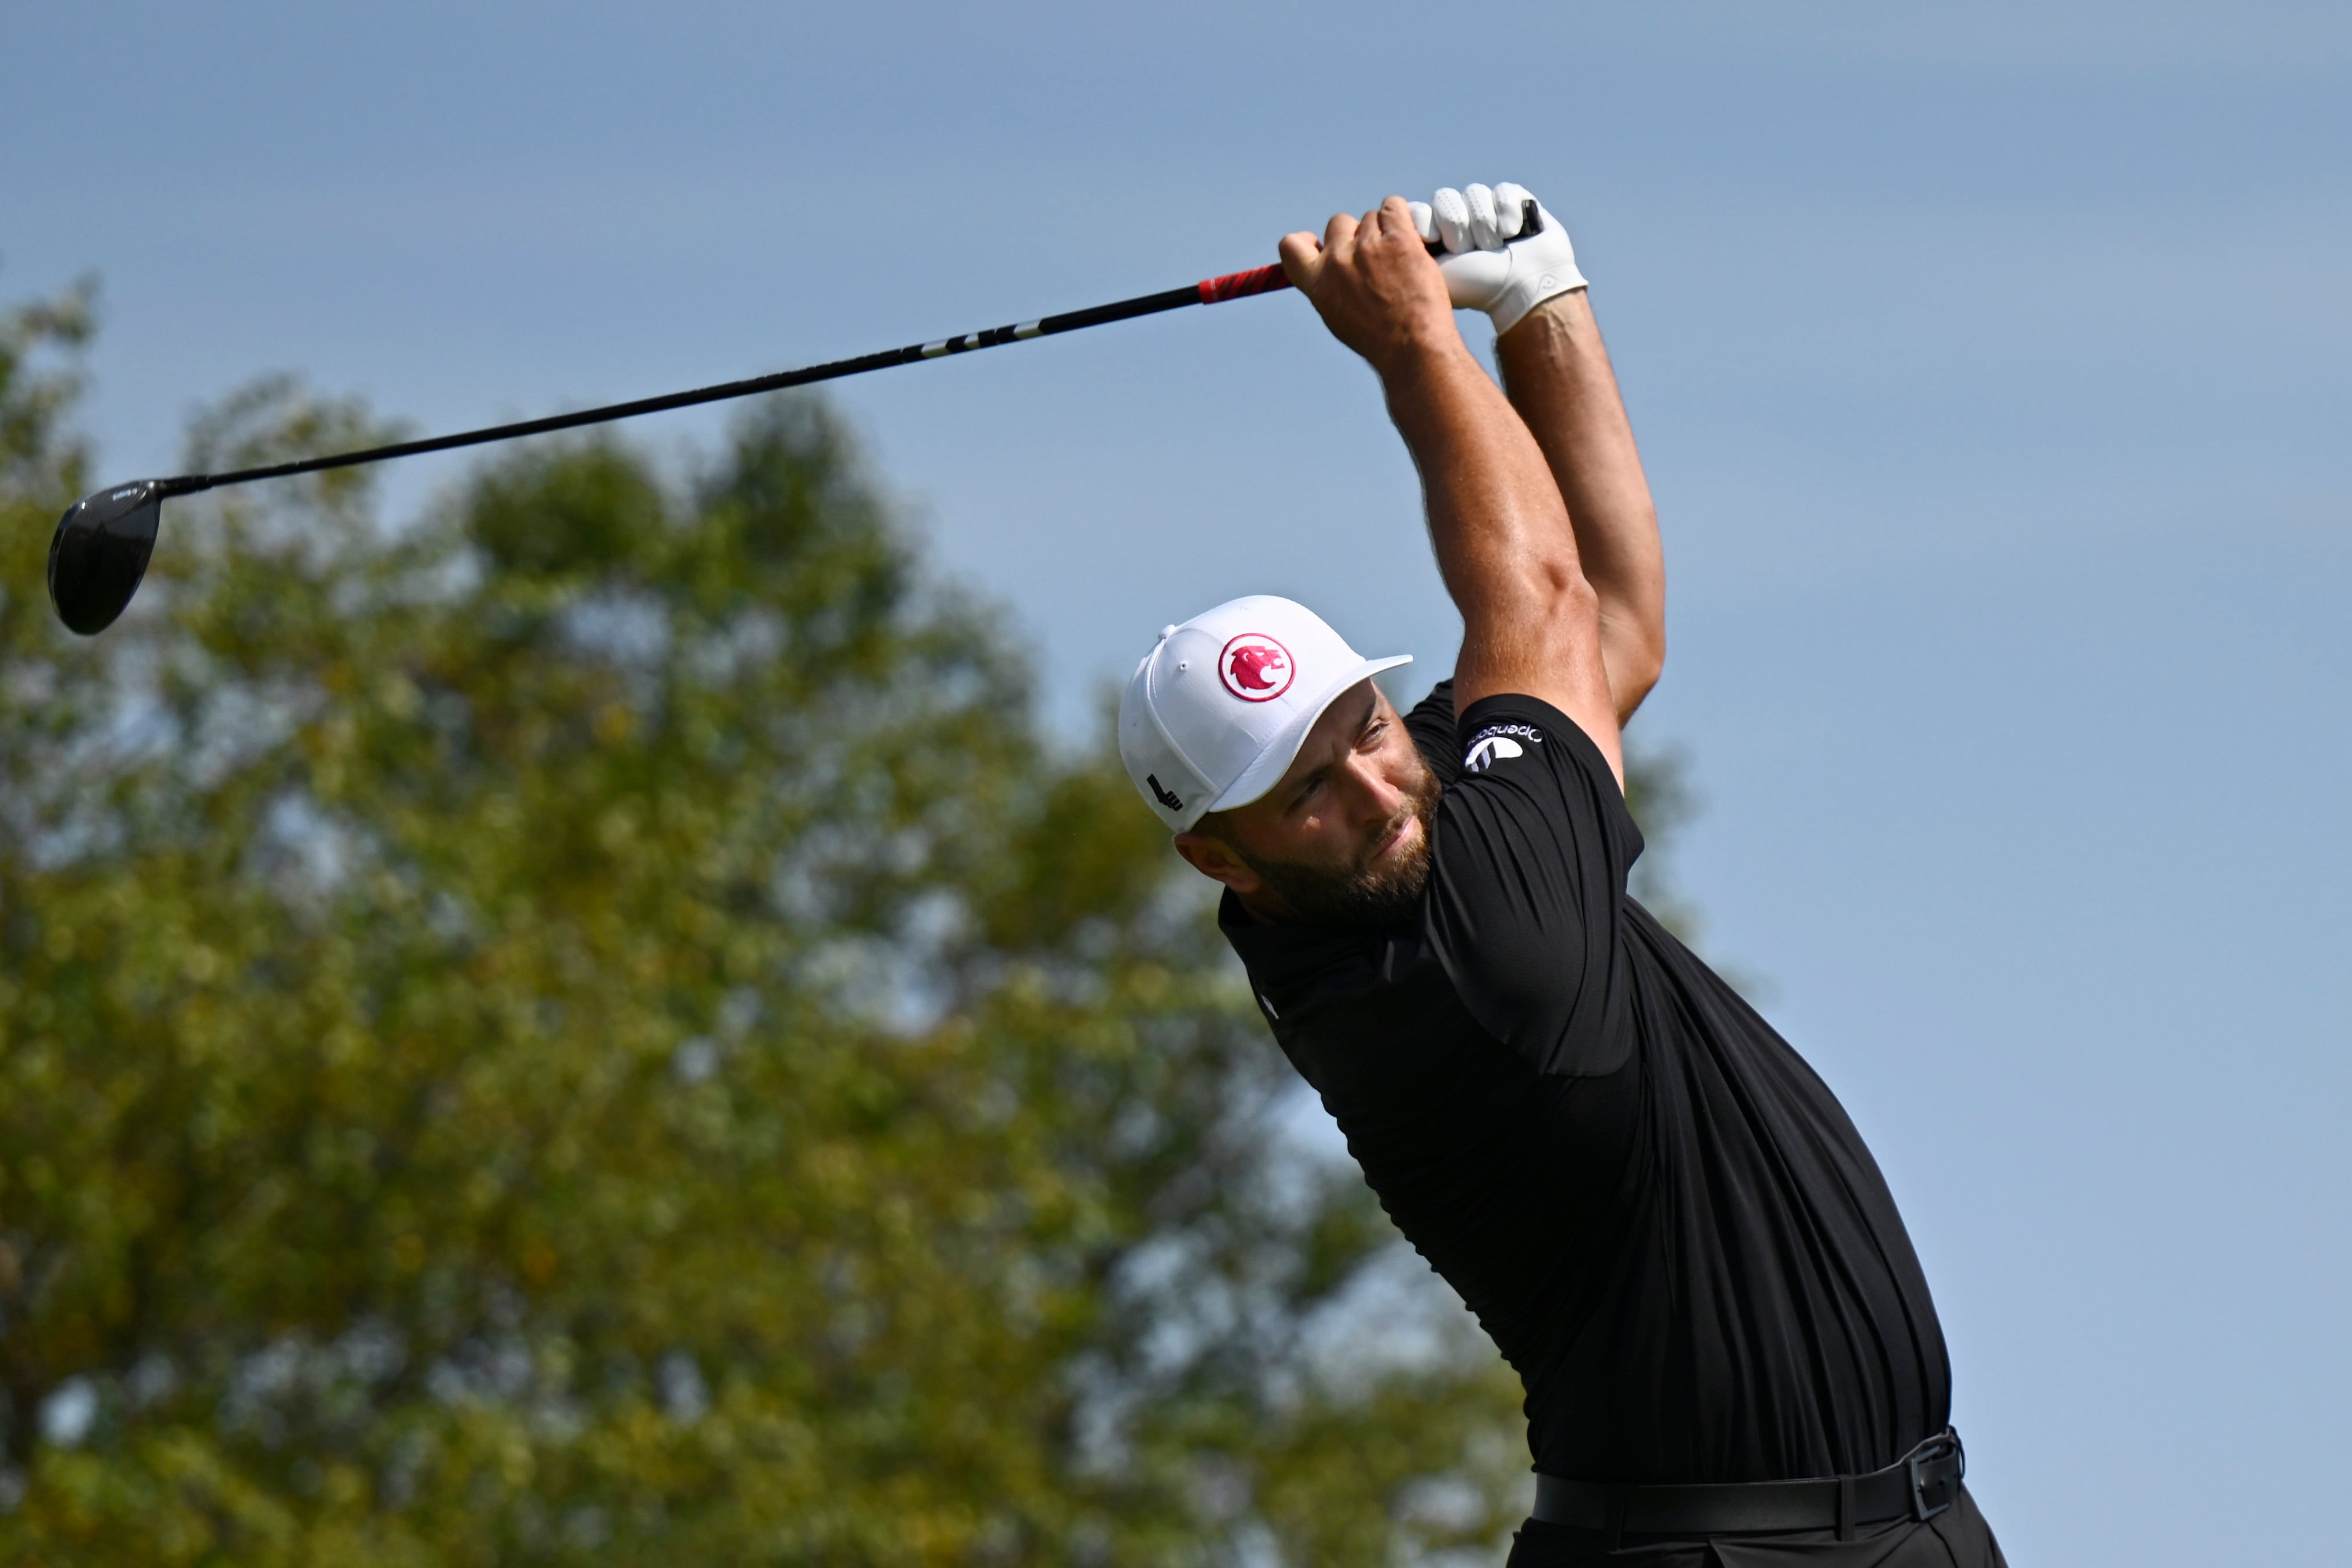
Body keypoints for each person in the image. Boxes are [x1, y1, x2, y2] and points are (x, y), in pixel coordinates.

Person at [1115, 184, 2007, 1566]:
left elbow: (1613, 626)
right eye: (1306, 793)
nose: (1372, 790)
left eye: (1363, 728)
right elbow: (1537, 600)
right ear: (1216, 856)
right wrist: (1415, 339)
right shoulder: (1465, 974)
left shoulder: (1425, 837)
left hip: (1912, 1530)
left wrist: (1540, 302)